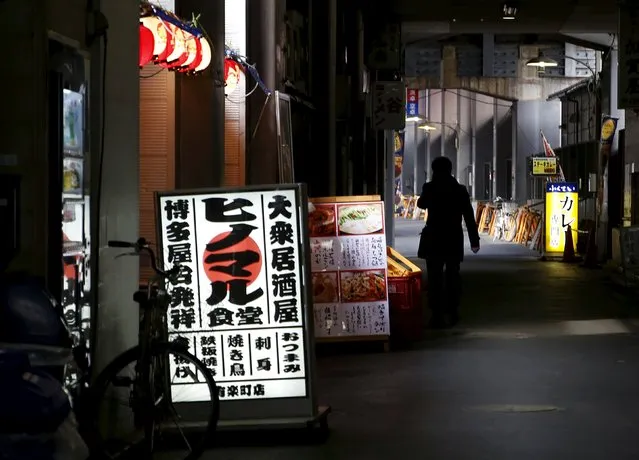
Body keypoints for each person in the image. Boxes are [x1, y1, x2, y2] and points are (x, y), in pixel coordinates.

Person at [416, 157, 480, 328]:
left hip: (434, 237)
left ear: (434, 170)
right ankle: (453, 311)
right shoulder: (459, 190)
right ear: (450, 170)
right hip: (453, 237)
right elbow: (468, 215)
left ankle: (436, 315)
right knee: (453, 275)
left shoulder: (429, 187)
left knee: (435, 277)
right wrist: (474, 240)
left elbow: (421, 204)